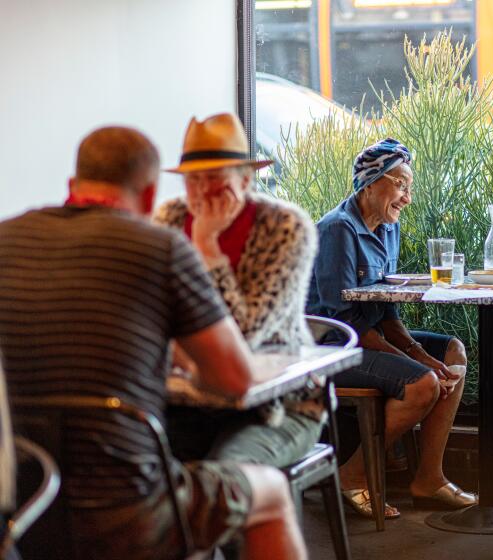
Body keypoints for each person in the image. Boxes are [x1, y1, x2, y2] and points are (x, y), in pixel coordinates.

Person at [0, 126, 307, 560]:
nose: (203, 191)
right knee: (270, 490)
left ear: (73, 186)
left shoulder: (5, 239)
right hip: (129, 512)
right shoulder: (160, 244)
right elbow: (235, 380)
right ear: (149, 197)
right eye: (193, 179)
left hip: (23, 506)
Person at [307, 138, 476, 518]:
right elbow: (343, 321)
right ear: (369, 183)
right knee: (422, 383)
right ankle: (352, 476)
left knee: (452, 353)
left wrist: (419, 354)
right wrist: (416, 363)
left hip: (367, 337)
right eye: (399, 184)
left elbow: (385, 312)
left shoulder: (387, 227)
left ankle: (429, 478)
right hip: (332, 348)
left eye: (408, 187)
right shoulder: (338, 230)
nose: (407, 197)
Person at [154, 113, 324, 470]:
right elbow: (152, 312)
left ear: (246, 180)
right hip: (188, 400)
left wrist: (206, 245)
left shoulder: (286, 227)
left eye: (214, 179)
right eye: (193, 180)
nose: (201, 193)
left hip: (280, 406)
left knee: (227, 472)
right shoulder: (169, 218)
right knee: (127, 457)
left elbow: (243, 334)